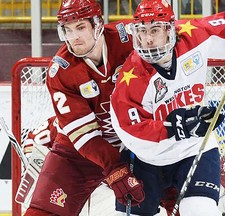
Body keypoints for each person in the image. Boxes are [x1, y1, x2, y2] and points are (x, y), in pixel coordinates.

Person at [110, 0, 225, 215]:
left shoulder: (192, 36)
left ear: (170, 29)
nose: (148, 39)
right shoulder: (131, 75)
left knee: (201, 211)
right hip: (147, 160)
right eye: (142, 31)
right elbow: (129, 129)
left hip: (194, 149)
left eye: (154, 30)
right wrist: (176, 126)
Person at [23, 0, 146, 215]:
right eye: (67, 30)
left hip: (139, 141)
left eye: (80, 27)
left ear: (97, 24)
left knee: (180, 197)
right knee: (42, 212)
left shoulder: (130, 38)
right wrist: (115, 168)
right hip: (78, 152)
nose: (74, 38)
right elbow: (85, 136)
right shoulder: (61, 71)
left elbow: (172, 43)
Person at [21, 114, 225, 215]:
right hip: (89, 182)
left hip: (128, 179)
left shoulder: (147, 125)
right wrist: (44, 171)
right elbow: (31, 141)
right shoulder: (68, 123)